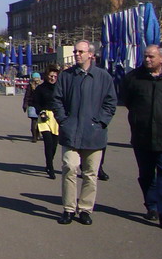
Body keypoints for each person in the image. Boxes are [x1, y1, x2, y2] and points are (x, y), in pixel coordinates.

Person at [51, 41, 118, 225]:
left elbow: (111, 103)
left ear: (90, 54)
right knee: (69, 168)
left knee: (90, 174)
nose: (77, 54)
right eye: (75, 51)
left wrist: (101, 122)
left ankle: (86, 209)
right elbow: (56, 100)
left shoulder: (103, 77)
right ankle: (69, 209)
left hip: (94, 133)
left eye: (81, 51)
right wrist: (64, 121)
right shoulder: (66, 76)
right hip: (71, 131)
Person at [121, 45, 162, 227]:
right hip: (142, 135)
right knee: (147, 174)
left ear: (161, 59)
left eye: (151, 57)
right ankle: (152, 206)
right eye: (145, 56)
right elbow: (127, 100)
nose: (147, 60)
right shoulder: (134, 78)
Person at [30, 66, 61, 178]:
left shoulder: (59, 88)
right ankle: (50, 167)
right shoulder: (41, 88)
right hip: (44, 116)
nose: (53, 78)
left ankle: (49, 161)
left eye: (55, 76)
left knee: (54, 145)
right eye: (51, 76)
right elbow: (35, 102)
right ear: (47, 76)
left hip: (56, 117)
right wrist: (40, 111)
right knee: (48, 142)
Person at [22, 71, 43, 142]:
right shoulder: (38, 86)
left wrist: (25, 104)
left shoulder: (33, 86)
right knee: (37, 121)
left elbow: (27, 96)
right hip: (36, 106)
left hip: (36, 105)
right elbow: (27, 96)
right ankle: (35, 135)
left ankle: (35, 135)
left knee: (36, 121)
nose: (36, 81)